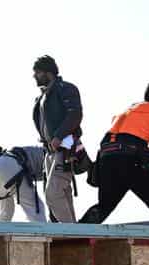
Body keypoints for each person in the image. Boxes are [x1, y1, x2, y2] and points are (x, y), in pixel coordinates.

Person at [80, 80, 149, 227]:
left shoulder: (124, 114)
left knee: (103, 207)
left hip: (107, 161)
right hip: (132, 162)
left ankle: (75, 233)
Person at [31, 55, 84, 223]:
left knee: (53, 194)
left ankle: (72, 234)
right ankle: (75, 233)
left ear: (48, 73)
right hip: (50, 151)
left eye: (37, 73)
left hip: (64, 149)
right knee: (62, 193)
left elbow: (75, 114)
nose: (34, 76)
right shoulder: (42, 97)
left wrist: (58, 136)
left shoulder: (65, 89)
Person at [0, 145, 46, 222]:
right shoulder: (53, 157)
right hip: (12, 166)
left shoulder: (39, 151)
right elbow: (51, 191)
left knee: (6, 211)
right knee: (35, 208)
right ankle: (41, 232)